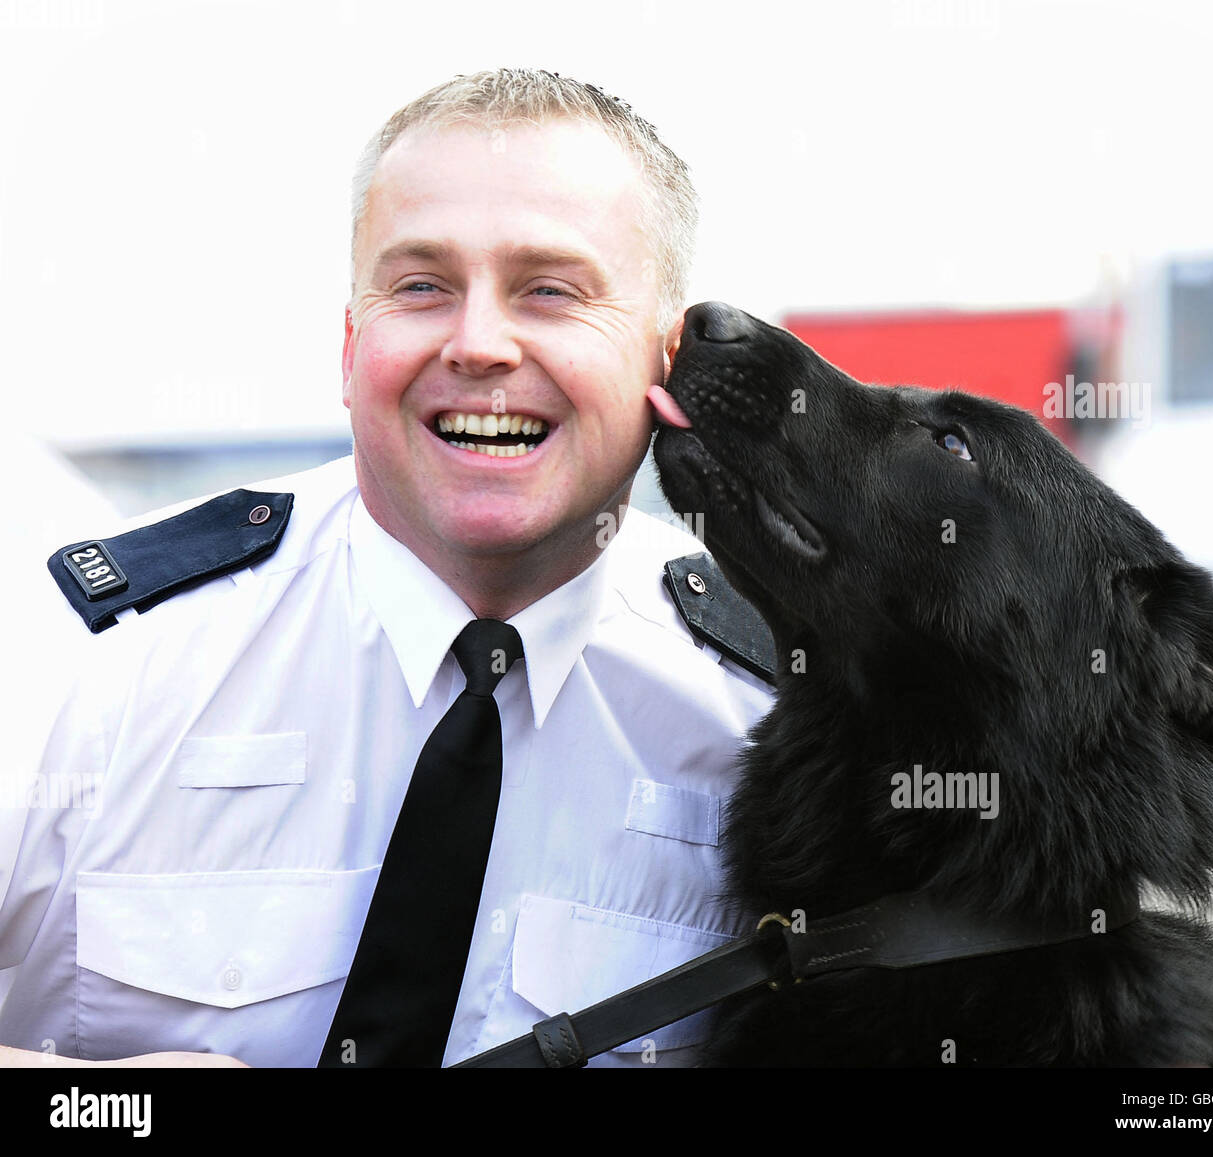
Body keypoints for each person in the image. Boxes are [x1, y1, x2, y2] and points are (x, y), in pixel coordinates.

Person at [0, 69, 773, 1068]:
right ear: (350, 340)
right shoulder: (84, 656)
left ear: (667, 363)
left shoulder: (770, 725)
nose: (479, 343)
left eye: (550, 289)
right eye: (421, 286)